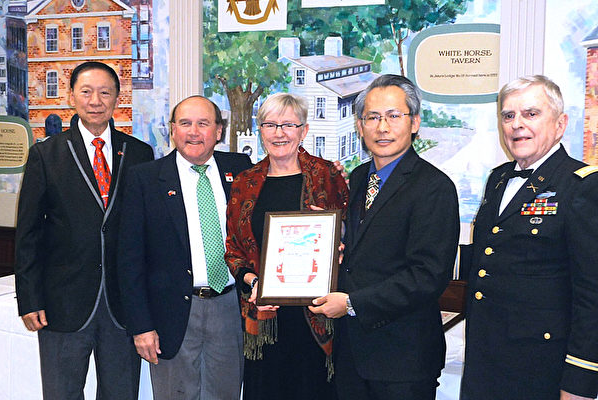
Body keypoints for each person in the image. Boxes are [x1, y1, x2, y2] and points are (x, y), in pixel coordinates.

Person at [309, 74, 460, 400]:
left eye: (393, 116)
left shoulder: (434, 187)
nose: (382, 127)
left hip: (403, 360)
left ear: (414, 122)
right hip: (352, 354)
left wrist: (352, 304)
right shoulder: (359, 178)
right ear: (359, 126)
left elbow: (428, 276)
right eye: (372, 117)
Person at [14, 61, 154, 399]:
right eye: (87, 91)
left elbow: (148, 233)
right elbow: (28, 234)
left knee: (121, 394)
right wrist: (29, 299)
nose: (95, 101)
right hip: (62, 303)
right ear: (71, 96)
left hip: (123, 305)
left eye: (105, 93)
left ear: (117, 98)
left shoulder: (139, 153)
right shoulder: (46, 154)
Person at [460, 75, 598, 400]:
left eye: (531, 114)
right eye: (508, 115)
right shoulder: (498, 179)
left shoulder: (582, 186)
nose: (517, 124)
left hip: (542, 370)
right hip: (485, 363)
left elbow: (592, 294)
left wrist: (579, 382)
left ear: (560, 124)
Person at [117, 95, 252, 399]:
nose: (194, 132)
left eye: (203, 123)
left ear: (218, 131)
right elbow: (129, 260)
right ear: (173, 130)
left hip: (229, 309)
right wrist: (141, 326)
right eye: (185, 123)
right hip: (170, 314)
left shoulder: (241, 170)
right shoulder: (145, 179)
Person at [225, 92, 349, 400]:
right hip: (264, 315)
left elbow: (351, 233)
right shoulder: (244, 182)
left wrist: (339, 241)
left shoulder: (327, 176)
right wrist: (254, 283)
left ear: (303, 131)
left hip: (317, 315)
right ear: (260, 131)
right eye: (270, 125)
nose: (279, 133)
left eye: (289, 125)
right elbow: (233, 250)